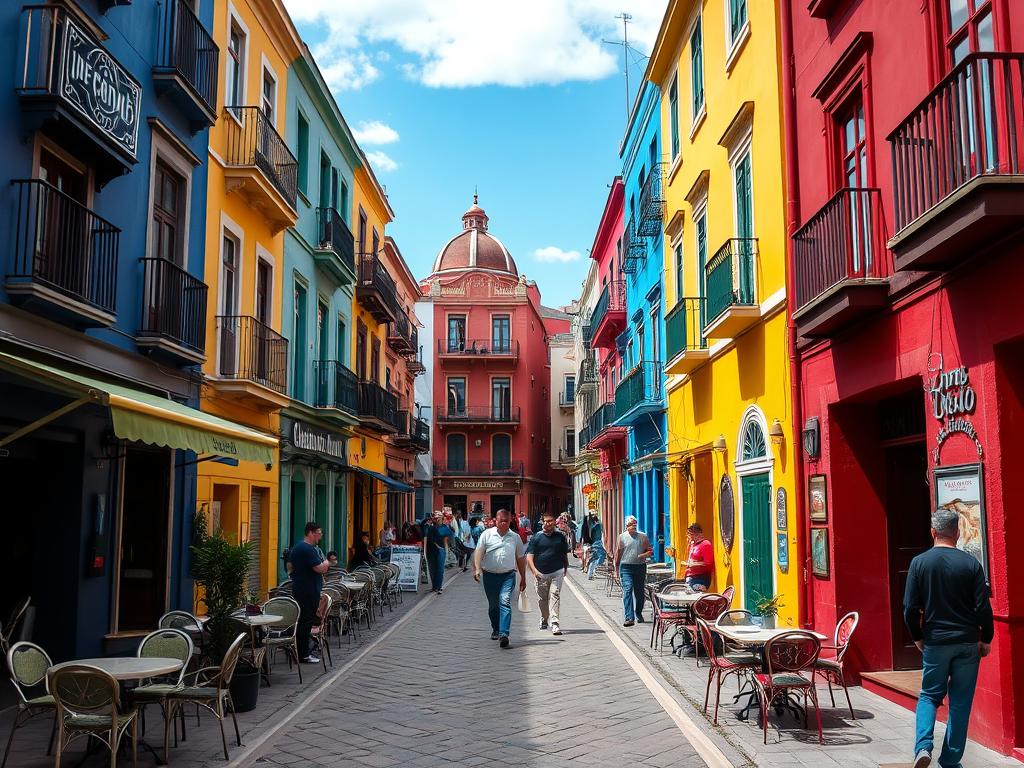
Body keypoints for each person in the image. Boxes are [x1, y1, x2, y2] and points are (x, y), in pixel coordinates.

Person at [904, 508, 993, 768]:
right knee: (961, 702)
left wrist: (917, 637)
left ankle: (923, 747)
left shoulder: (919, 563)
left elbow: (910, 608)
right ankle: (951, 761)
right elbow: (982, 608)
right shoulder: (971, 564)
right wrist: (985, 638)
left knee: (929, 696)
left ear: (933, 532)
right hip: (967, 641)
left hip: (936, 641)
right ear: (958, 532)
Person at [473, 509, 527, 648]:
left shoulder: (515, 537)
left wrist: (523, 577)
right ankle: (496, 629)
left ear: (510, 521)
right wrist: (478, 568)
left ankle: (504, 633)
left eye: (506, 520)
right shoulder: (487, 534)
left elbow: (520, 558)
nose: (503, 523)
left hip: (508, 575)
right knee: (493, 606)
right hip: (489, 575)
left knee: (505, 601)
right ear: (495, 521)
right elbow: (479, 551)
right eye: (501, 520)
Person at [289, 522, 331, 664]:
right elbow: (320, 569)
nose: (320, 536)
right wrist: (326, 562)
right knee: (306, 621)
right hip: (308, 590)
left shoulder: (298, 547)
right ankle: (303, 654)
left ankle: (300, 652)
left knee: (303, 621)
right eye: (319, 533)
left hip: (303, 588)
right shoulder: (307, 549)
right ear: (311, 533)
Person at [526, 510, 570, 635]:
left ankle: (555, 623)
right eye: (545, 521)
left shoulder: (560, 537)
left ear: (554, 522)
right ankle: (544, 618)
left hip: (557, 571)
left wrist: (565, 568)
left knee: (555, 595)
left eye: (549, 521)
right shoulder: (537, 537)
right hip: (540, 573)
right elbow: (529, 556)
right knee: (542, 599)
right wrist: (534, 571)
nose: (547, 523)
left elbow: (563, 554)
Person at [614, 516, 653, 627]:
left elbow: (650, 551)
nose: (634, 526)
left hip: (640, 567)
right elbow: (618, 553)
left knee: (639, 593)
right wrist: (616, 569)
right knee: (627, 590)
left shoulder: (643, 537)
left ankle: (638, 613)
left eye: (635, 524)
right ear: (627, 526)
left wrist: (643, 555)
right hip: (626, 567)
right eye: (631, 524)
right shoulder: (622, 537)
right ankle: (629, 617)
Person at [423, 511, 454, 593]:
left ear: (441, 518)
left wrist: (446, 550)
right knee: (432, 569)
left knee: (440, 568)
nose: (436, 519)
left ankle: (439, 586)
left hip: (441, 550)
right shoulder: (429, 528)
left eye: (437, 518)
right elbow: (426, 538)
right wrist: (424, 552)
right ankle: (434, 586)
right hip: (431, 550)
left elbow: (447, 540)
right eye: (434, 518)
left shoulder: (445, 528)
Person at [683, 523, 714, 590]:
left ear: (699, 534)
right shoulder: (693, 545)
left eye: (691, 534)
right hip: (691, 577)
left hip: (699, 578)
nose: (689, 537)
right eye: (689, 534)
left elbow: (708, 563)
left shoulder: (705, 544)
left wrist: (694, 564)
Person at [586, 514, 606, 580]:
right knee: (600, 557)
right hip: (599, 543)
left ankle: (591, 573)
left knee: (594, 559)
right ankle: (595, 569)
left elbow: (591, 536)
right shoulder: (599, 526)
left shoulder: (593, 527)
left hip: (595, 544)